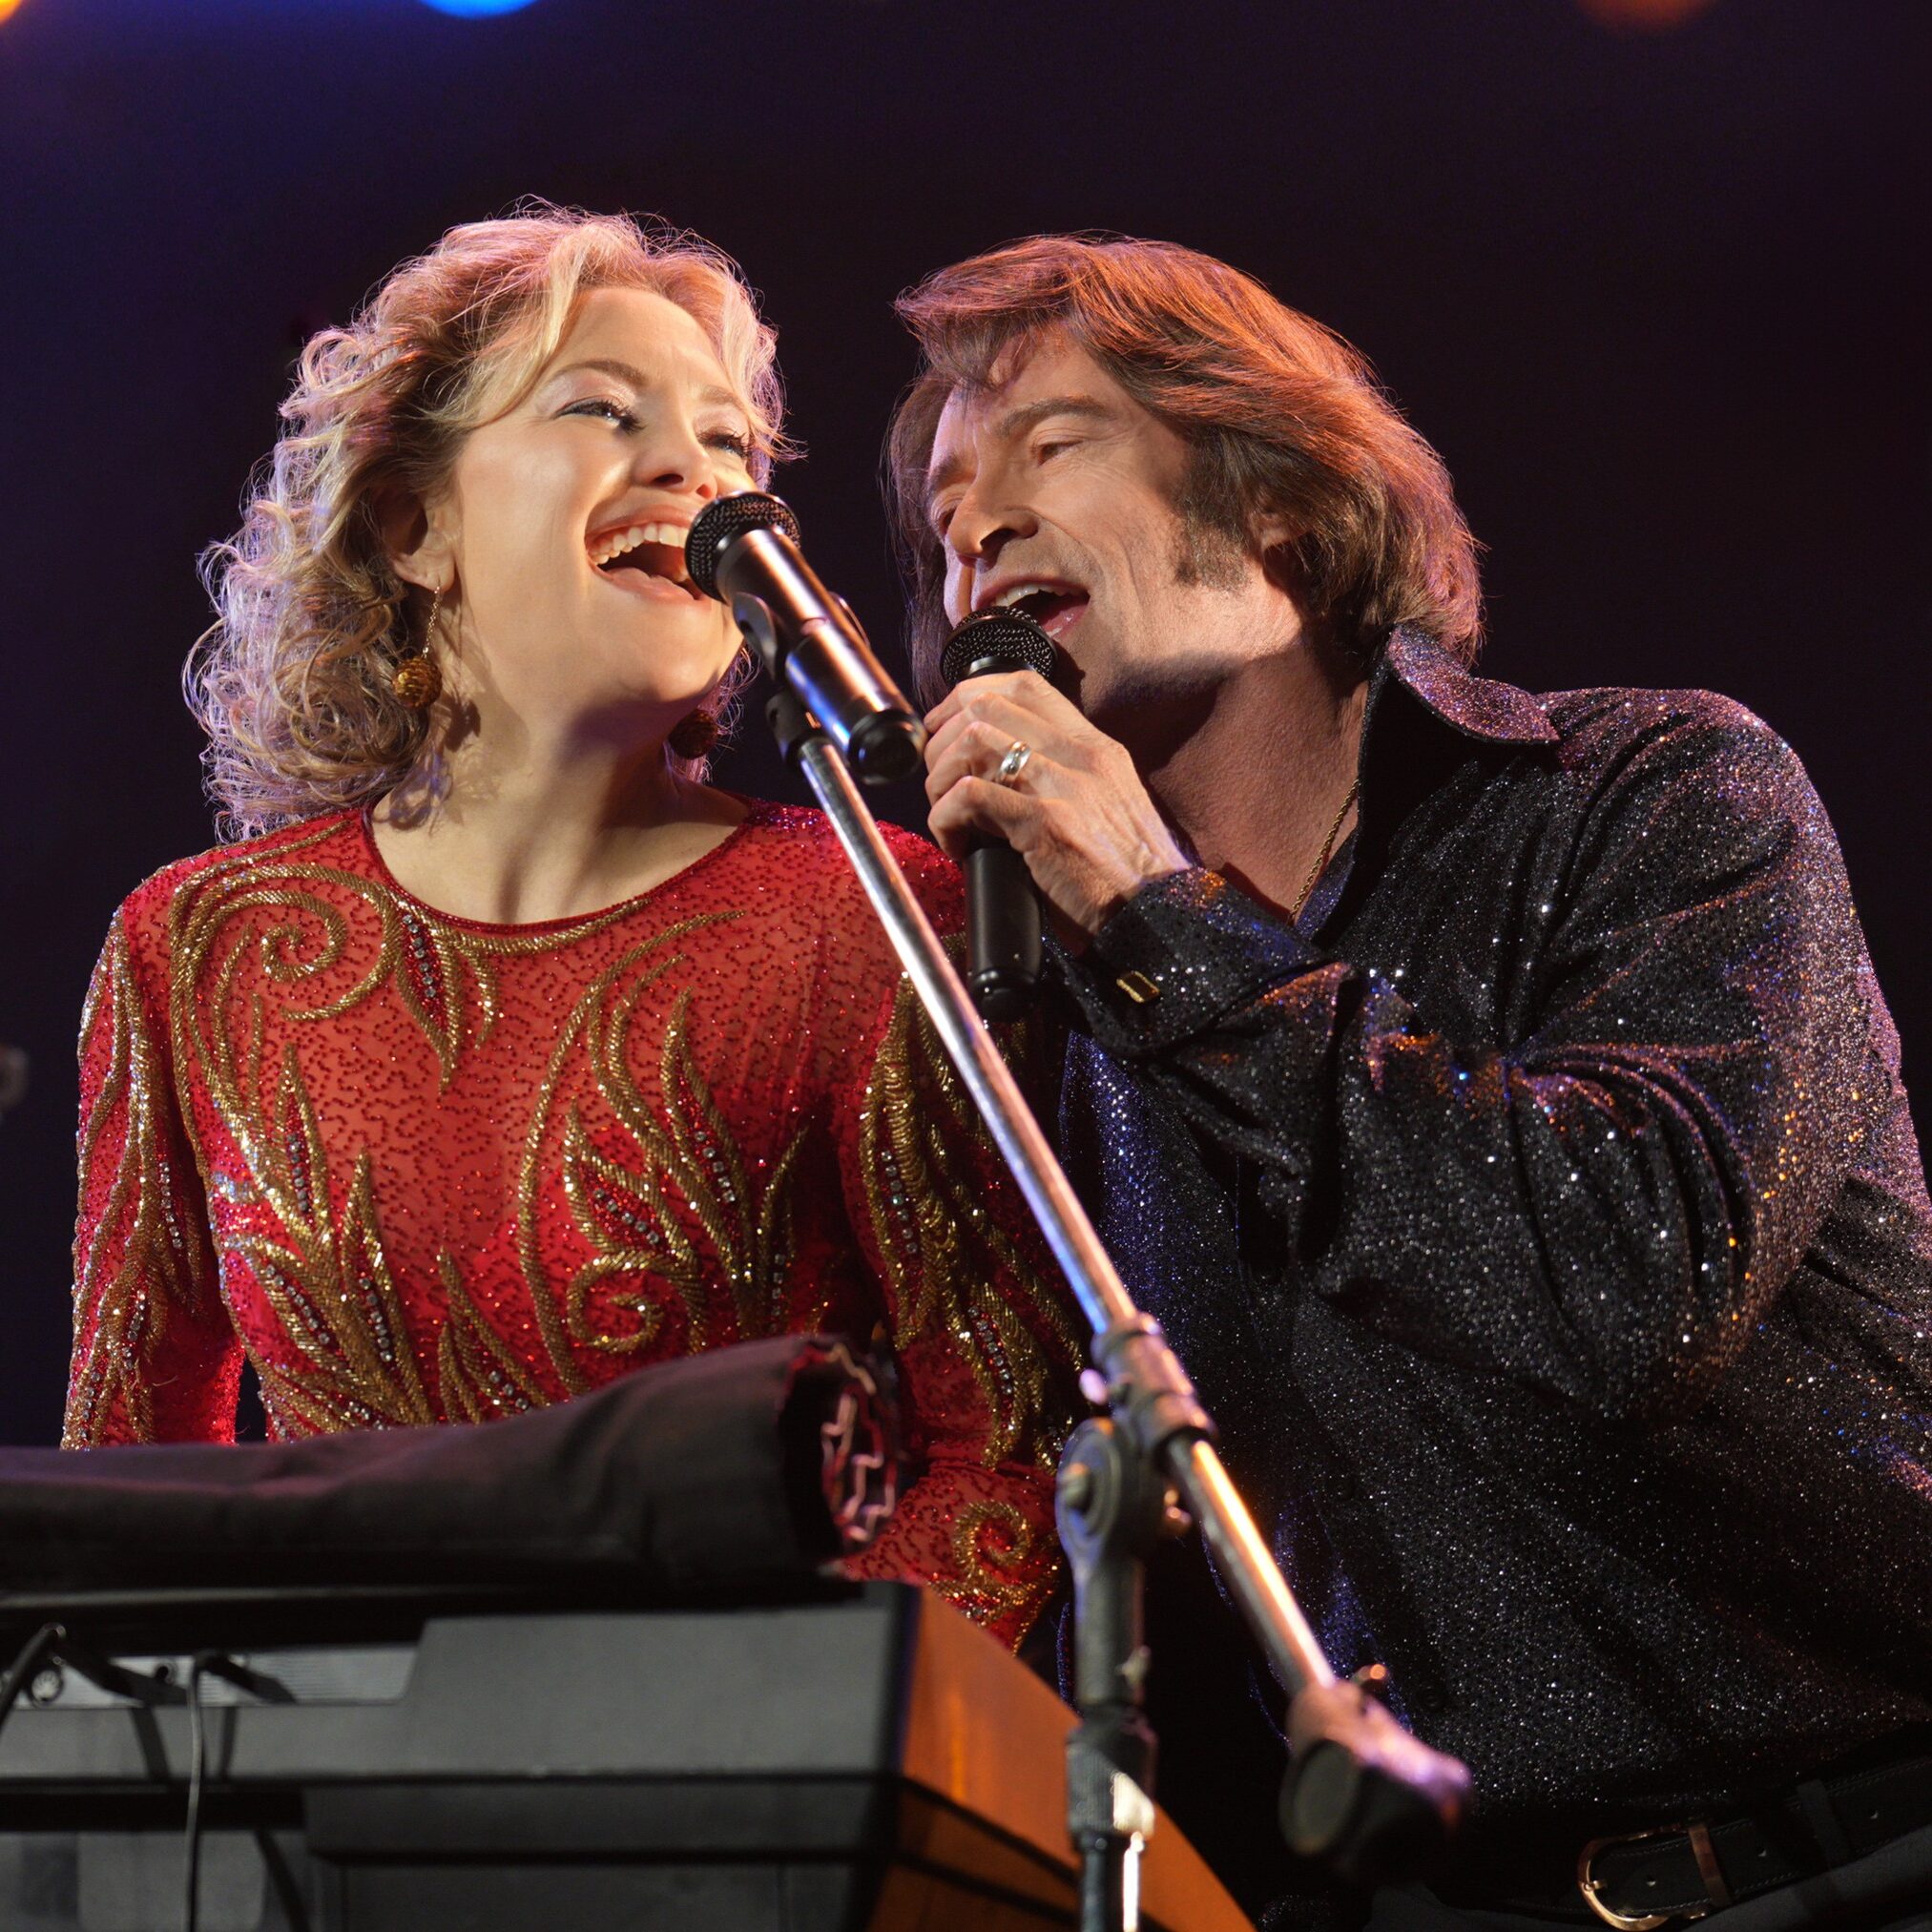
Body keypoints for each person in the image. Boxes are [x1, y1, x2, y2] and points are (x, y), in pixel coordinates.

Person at [888, 235, 1932, 1925]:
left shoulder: (1654, 792)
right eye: (943, 513)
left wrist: (1162, 916)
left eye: (1050, 443)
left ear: (1279, 509)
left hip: (1867, 1854)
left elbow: (1624, 1286)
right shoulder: (1078, 1021)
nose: (975, 526)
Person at [67, 208, 1081, 1652]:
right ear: (414, 526)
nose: (698, 471)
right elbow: (122, 1482)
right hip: (324, 1765)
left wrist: (763, 1737)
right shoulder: (197, 948)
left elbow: (1011, 1443)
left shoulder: (867, 911)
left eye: (731, 444)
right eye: (603, 410)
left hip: (745, 1762)